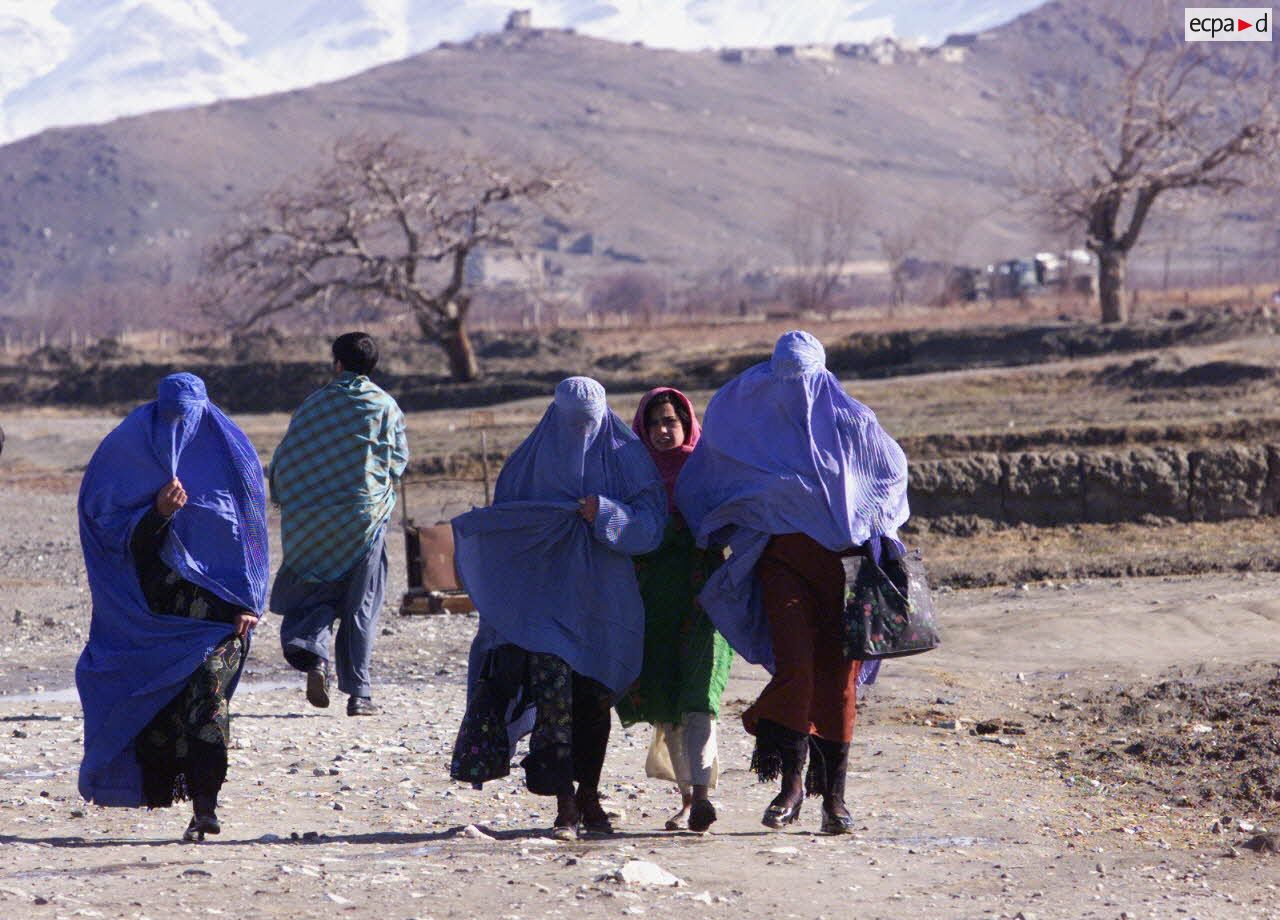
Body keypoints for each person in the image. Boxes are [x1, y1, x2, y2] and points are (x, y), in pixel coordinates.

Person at [675, 331, 909, 835]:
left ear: (820, 375)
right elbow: (714, 476)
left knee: (839, 685)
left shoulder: (853, 422)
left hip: (846, 570)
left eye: (803, 379)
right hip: (782, 563)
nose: (794, 390)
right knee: (796, 668)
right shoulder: (744, 420)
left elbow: (889, 475)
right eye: (786, 379)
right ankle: (791, 785)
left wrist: (866, 518)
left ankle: (835, 800)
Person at [449, 377, 666, 839]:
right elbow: (508, 534)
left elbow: (651, 528)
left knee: (593, 699)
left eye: (589, 423)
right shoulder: (525, 465)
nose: (580, 434)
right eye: (573, 423)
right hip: (543, 606)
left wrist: (606, 513)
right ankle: (565, 802)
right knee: (554, 703)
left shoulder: (629, 461)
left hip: (604, 603)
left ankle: (589, 792)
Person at [76, 373, 268, 841]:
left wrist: (249, 600)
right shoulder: (130, 457)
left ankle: (206, 807)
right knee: (161, 706)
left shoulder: (231, 459)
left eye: (190, 417)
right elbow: (112, 539)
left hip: (221, 618)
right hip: (156, 619)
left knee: (208, 702)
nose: (181, 428)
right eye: (172, 416)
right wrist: (157, 514)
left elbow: (250, 537)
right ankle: (170, 795)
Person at [269, 331, 408, 716]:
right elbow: (397, 462)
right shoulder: (385, 406)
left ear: (337, 364)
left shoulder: (314, 404)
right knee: (361, 603)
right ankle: (359, 694)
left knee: (314, 591)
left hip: (311, 520)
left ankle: (314, 656)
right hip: (363, 519)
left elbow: (286, 458)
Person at [614, 388, 733, 833]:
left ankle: (702, 795)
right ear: (641, 430)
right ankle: (687, 800)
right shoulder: (632, 476)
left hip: (705, 598)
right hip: (652, 600)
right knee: (667, 699)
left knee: (700, 695)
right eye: (655, 424)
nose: (664, 432)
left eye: (671, 422)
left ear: (687, 424)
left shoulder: (708, 471)